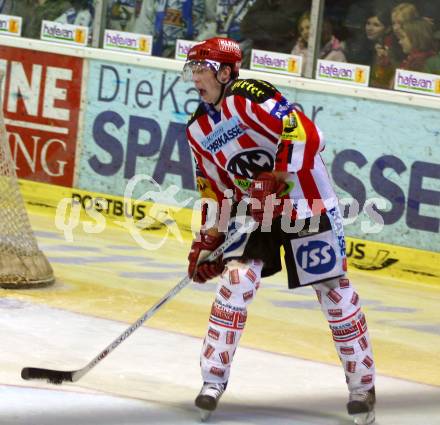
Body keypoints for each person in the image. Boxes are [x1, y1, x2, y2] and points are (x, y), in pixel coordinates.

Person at [182, 37, 376, 425]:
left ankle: (362, 388)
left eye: (202, 68)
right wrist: (209, 242)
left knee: (333, 291)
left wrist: (274, 175)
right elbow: (215, 191)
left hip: (307, 202)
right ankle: (212, 381)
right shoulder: (198, 129)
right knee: (237, 281)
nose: (195, 77)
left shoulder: (250, 95)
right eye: (192, 69)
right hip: (260, 212)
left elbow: (305, 133)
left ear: (225, 71)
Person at [133, 0, 209, 58]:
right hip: (154, 52)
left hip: (188, 55)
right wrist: (140, 55)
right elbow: (144, 24)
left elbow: (211, 23)